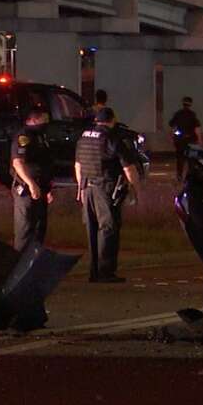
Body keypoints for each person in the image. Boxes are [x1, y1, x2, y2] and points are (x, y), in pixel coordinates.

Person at [74, 107, 143, 283]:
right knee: (108, 228)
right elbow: (129, 167)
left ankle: (94, 271)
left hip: (87, 187)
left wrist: (80, 189)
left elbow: (78, 165)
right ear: (111, 120)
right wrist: (136, 190)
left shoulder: (84, 137)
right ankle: (105, 272)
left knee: (92, 229)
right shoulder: (112, 138)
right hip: (105, 187)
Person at [10, 106, 55, 251]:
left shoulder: (40, 136)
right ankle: (18, 268)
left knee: (39, 229)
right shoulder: (24, 136)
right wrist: (30, 184)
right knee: (25, 229)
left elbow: (45, 162)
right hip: (26, 189)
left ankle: (33, 266)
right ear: (33, 120)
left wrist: (48, 189)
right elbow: (17, 163)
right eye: (43, 119)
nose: (46, 123)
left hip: (41, 188)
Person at [168, 96, 202, 180]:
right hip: (191, 140)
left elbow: (173, 127)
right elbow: (197, 128)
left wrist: (173, 137)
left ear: (183, 104)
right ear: (190, 104)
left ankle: (179, 176)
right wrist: (199, 139)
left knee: (180, 158)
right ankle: (190, 176)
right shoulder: (192, 115)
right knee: (191, 159)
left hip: (180, 140)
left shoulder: (178, 114)